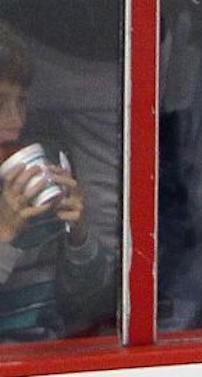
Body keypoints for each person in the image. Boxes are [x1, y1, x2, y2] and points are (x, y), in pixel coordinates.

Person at [0, 19, 109, 342]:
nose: (16, 121)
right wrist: (4, 235)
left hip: (49, 356)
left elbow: (86, 301)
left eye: (21, 102)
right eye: (0, 104)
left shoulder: (43, 175)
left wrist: (79, 235)